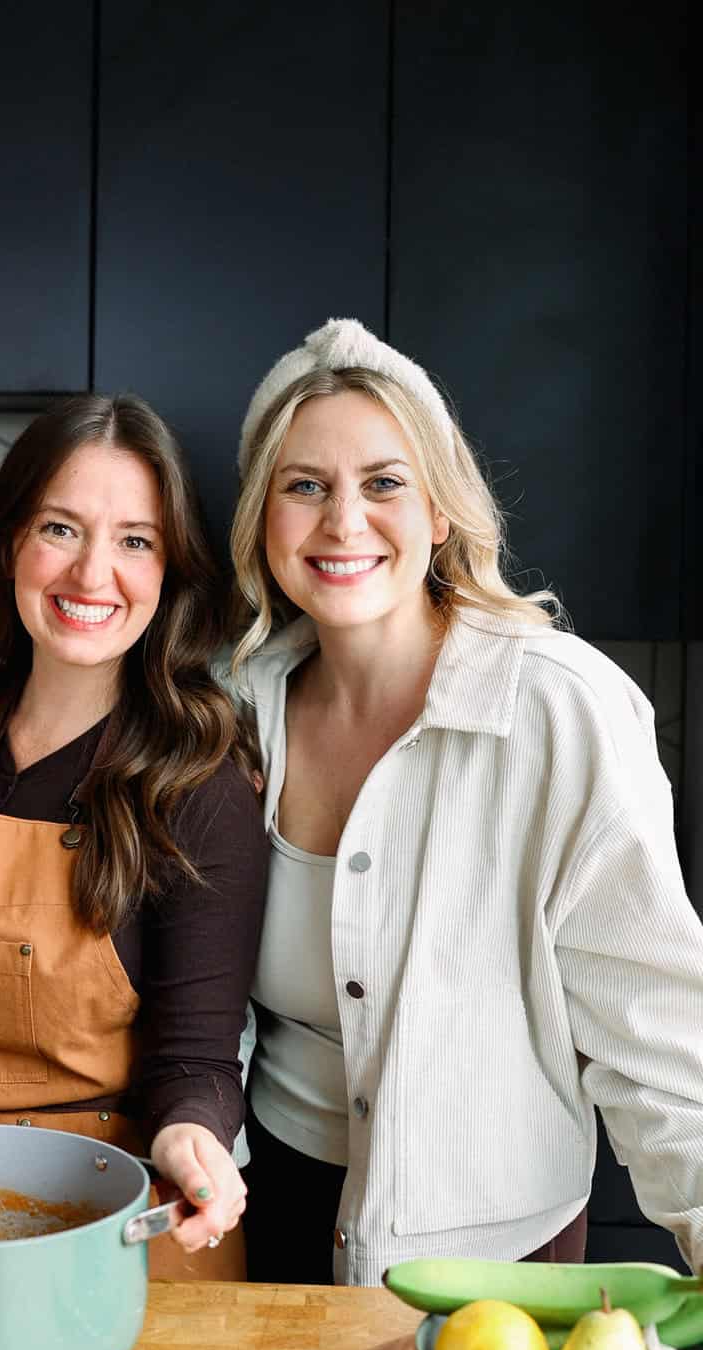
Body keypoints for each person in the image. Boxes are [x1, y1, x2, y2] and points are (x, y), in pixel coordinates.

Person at [227, 317, 703, 1286]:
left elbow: (658, 1027)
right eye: (303, 485)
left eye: (385, 483)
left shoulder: (559, 710)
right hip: (262, 1207)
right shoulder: (236, 708)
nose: (343, 521)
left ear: (442, 511)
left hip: (492, 1247)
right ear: (261, 518)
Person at [0, 393, 268, 1275]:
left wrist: (195, 1140)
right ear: (9, 543)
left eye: (135, 541)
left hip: (106, 1221)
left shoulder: (199, 780)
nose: (92, 575)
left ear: (170, 570)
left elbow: (197, 1059)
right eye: (61, 529)